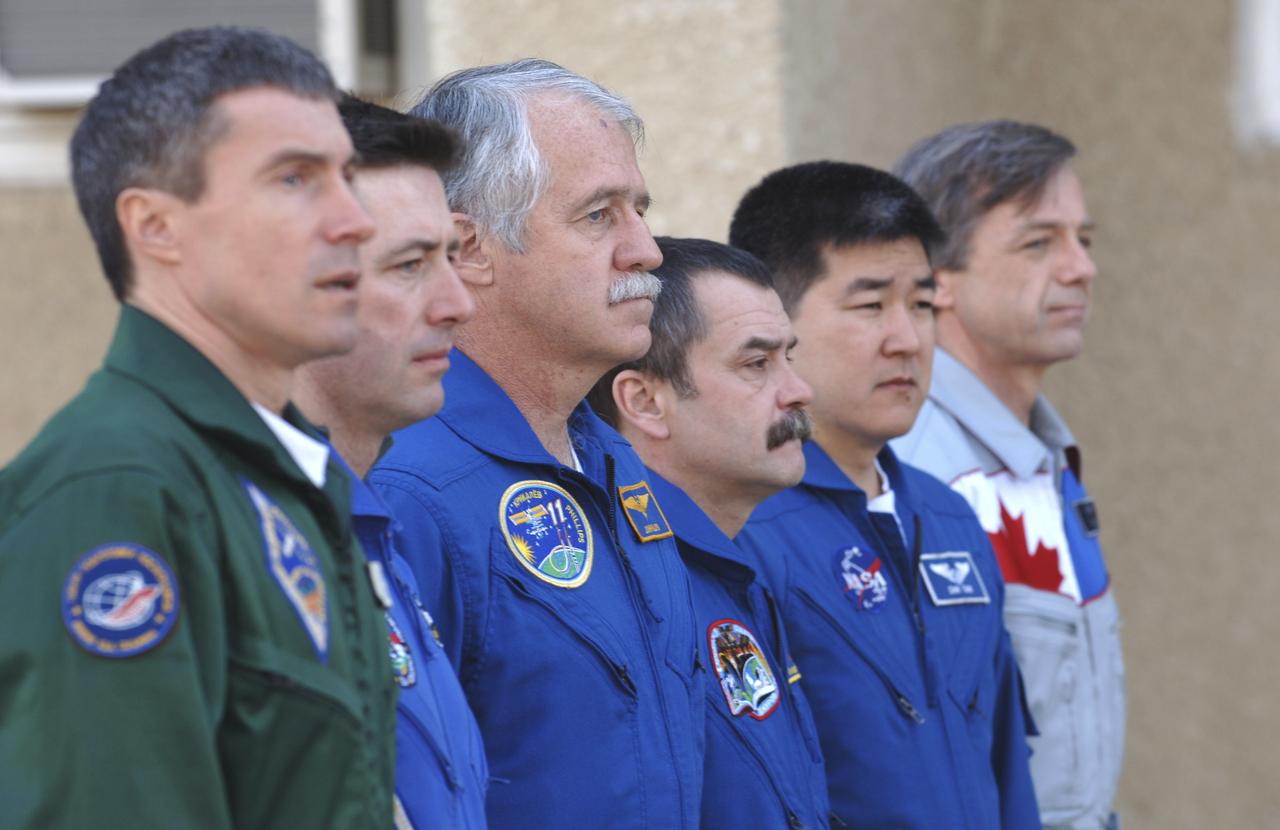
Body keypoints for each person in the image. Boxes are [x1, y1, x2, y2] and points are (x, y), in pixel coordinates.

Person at [0, 27, 396, 828]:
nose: (355, 220)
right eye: (295, 178)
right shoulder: (118, 490)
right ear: (155, 226)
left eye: (348, 178)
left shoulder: (280, 473)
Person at [369, 60, 703, 828]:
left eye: (641, 210)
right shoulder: (410, 488)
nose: (647, 250)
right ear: (469, 249)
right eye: (599, 216)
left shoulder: (611, 461)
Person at [730, 161, 1041, 828]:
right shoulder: (742, 525)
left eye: (922, 305)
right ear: (774, 320)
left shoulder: (950, 516)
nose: (907, 340)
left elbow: (1008, 767)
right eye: (870, 306)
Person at [891, 120, 1123, 830]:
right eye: (1039, 243)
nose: (1081, 268)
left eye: (1083, 239)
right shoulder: (915, 466)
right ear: (936, 280)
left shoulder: (1047, 454)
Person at [588, 236, 831, 829]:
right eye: (756, 364)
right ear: (645, 401)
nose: (799, 391)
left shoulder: (731, 559)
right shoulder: (625, 585)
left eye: (789, 358)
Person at [292, 95, 488, 830]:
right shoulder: (226, 527)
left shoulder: (366, 520)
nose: (458, 304)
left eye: (451, 258)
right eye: (410, 265)